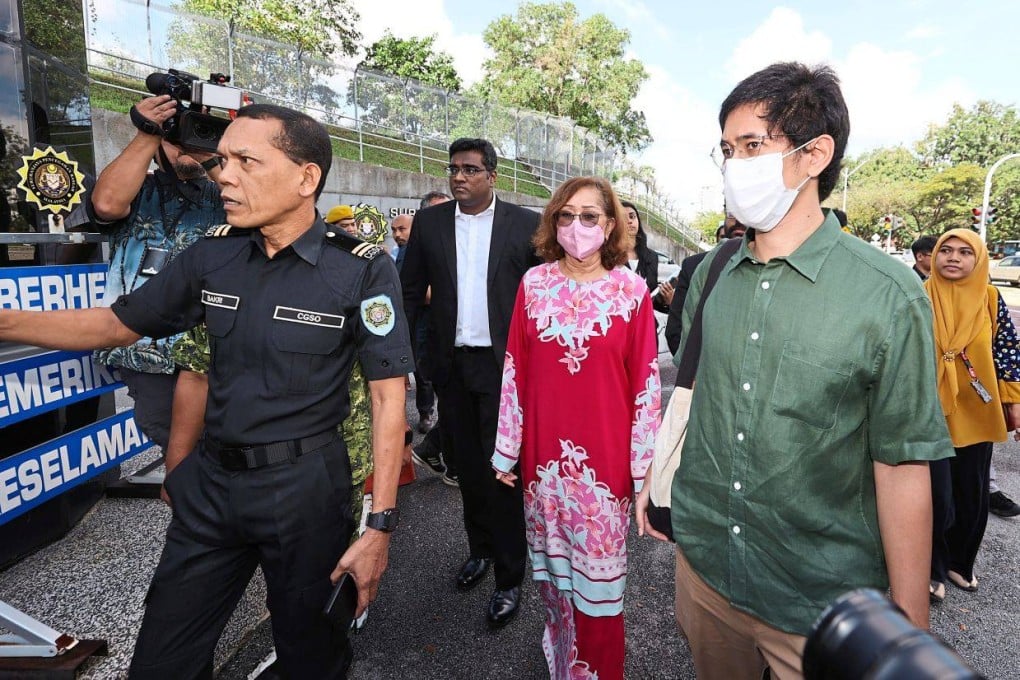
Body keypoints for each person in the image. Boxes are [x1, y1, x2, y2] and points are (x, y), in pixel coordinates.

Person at [0, 104, 412, 678]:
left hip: (306, 496)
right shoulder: (213, 253)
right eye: (222, 161)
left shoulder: (360, 269)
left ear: (305, 178)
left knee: (310, 658)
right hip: (211, 490)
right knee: (161, 663)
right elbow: (117, 324)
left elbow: (391, 400)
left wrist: (378, 528)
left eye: (246, 160)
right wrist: (5, 321)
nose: (224, 174)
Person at [635, 62, 952, 680]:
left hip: (821, 602)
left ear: (815, 155)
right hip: (705, 574)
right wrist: (660, 478)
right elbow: (694, 394)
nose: (733, 165)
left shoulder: (889, 295)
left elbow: (903, 461)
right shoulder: (712, 272)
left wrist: (909, 620)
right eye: (726, 150)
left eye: (752, 146)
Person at [492, 176, 660, 679]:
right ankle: (564, 658)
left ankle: (599, 671)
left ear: (610, 225)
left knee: (601, 591)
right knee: (553, 580)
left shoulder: (632, 292)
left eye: (590, 216)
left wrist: (643, 470)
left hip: (603, 471)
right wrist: (507, 450)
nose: (577, 226)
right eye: (566, 216)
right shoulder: (534, 285)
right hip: (543, 466)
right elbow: (514, 370)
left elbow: (647, 387)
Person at [400, 137, 540, 628]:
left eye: (470, 170)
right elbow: (410, 291)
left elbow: (543, 298)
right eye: (453, 169)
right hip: (452, 367)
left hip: (506, 371)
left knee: (504, 474)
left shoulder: (525, 225)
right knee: (469, 470)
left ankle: (509, 576)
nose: (459, 177)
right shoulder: (431, 223)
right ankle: (479, 552)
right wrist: (408, 356)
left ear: (492, 176)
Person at [89, 92, 225, 452]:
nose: (187, 147)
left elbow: (266, 210)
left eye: (199, 134)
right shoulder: (139, 190)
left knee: (220, 448)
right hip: (146, 351)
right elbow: (106, 203)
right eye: (178, 138)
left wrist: (212, 156)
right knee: (176, 442)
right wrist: (148, 132)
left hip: (215, 352)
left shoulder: (223, 195)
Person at [924, 229, 1020, 602]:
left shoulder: (990, 298)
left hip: (977, 412)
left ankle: (959, 562)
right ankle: (930, 566)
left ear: (978, 260)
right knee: (934, 495)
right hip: (927, 411)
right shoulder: (919, 295)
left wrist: (1013, 402)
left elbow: (1007, 351)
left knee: (972, 493)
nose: (953, 257)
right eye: (945, 250)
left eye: (965, 252)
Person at [664, 213, 745, 356]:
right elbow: (675, 329)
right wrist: (690, 372)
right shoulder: (694, 266)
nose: (738, 220)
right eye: (732, 213)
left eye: (747, 212)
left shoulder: (776, 266)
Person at [391, 212, 435, 432]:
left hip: (422, 319)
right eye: (394, 230)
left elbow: (428, 294)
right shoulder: (398, 253)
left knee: (421, 368)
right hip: (403, 317)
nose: (397, 234)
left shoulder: (424, 252)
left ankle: (426, 413)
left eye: (402, 229)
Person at [621, 200, 672, 312]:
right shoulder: (608, 256)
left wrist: (666, 301)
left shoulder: (652, 257)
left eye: (632, 216)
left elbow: (651, 299)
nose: (629, 221)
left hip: (645, 322)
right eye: (623, 218)